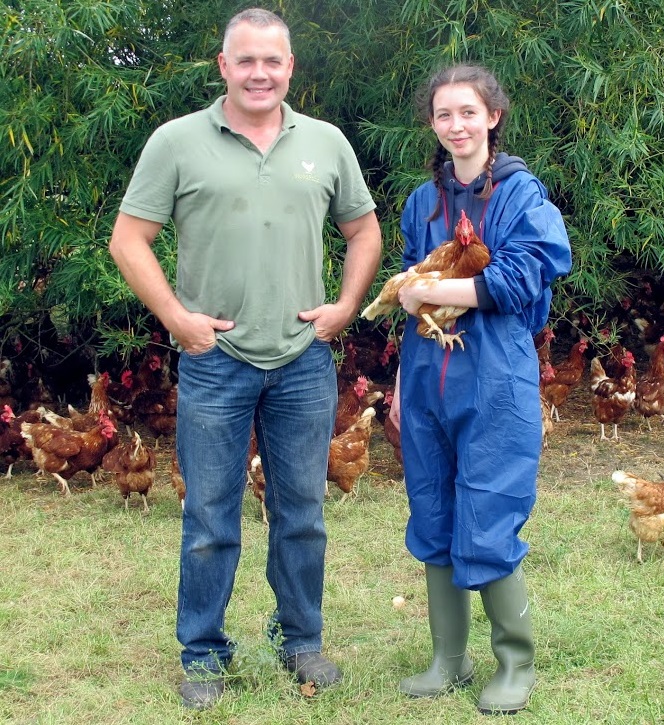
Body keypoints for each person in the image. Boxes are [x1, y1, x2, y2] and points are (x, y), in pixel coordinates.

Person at [109, 8, 381, 710]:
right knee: (209, 515)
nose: (260, 72)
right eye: (246, 60)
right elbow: (129, 239)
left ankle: (301, 640)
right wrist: (176, 318)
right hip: (214, 360)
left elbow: (364, 230)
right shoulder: (177, 142)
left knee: (302, 512)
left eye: (273, 61)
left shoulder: (324, 142)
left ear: (290, 68)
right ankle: (203, 651)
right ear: (223, 66)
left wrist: (346, 306)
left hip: (302, 361)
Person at [388, 64, 571, 715]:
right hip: (426, 376)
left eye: (468, 112)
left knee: (489, 517)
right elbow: (410, 303)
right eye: (444, 114)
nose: (456, 124)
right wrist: (400, 381)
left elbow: (519, 282)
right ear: (433, 124)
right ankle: (448, 657)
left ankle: (515, 660)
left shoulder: (523, 197)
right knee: (433, 514)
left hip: (496, 381)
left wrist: (429, 289)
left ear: (492, 116)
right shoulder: (421, 203)